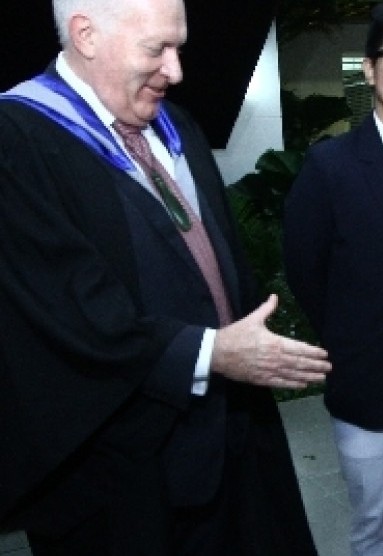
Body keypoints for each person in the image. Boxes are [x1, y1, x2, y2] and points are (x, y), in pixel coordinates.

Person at [0, 0, 332, 554]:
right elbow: (63, 309)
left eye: (178, 47)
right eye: (157, 49)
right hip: (123, 476)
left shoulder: (175, 124)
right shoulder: (19, 141)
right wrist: (211, 353)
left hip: (233, 442)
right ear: (85, 34)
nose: (176, 71)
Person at [283, 2, 383, 554]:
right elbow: (306, 270)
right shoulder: (329, 166)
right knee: (373, 521)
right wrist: (350, 341)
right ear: (371, 68)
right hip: (362, 380)